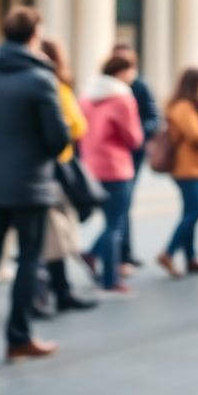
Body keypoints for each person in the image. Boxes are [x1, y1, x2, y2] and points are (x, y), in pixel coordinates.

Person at [0, 7, 69, 366]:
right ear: (34, 34)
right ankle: (18, 338)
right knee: (27, 259)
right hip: (29, 184)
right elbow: (57, 139)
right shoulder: (41, 78)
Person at [37, 39, 96, 314]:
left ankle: (58, 288)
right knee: (56, 231)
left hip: (44, 168)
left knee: (51, 232)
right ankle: (55, 290)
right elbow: (77, 126)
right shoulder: (56, 88)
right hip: (56, 168)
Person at [79, 55, 144, 296]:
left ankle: (92, 253)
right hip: (116, 166)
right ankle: (110, 278)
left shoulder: (86, 95)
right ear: (121, 71)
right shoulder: (123, 98)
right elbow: (134, 138)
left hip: (90, 165)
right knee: (115, 223)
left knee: (109, 222)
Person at [157, 68, 198, 278]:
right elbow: (197, 136)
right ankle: (168, 253)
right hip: (188, 169)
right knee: (194, 213)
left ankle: (191, 258)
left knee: (190, 213)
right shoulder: (183, 107)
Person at [111, 43, 159, 271]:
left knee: (124, 203)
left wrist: (136, 133)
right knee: (118, 206)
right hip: (111, 154)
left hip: (133, 153)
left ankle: (124, 252)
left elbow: (153, 118)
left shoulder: (139, 87)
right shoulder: (106, 89)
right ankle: (114, 254)